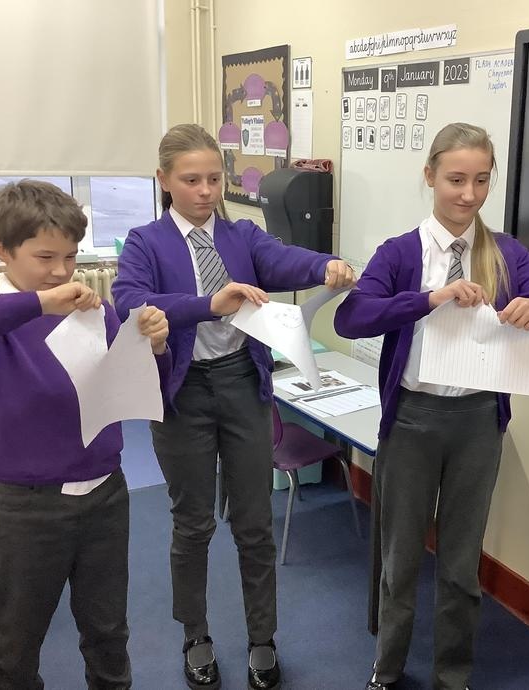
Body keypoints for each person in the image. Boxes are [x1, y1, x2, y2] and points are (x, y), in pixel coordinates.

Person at [333, 122, 529, 690]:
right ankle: (387, 668)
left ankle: (452, 675)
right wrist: (428, 299)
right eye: (456, 179)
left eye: (481, 180)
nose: (469, 194)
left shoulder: (505, 253)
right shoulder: (401, 252)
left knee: (461, 562)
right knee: (400, 557)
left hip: (477, 423)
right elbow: (352, 317)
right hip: (412, 420)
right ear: (430, 176)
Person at [111, 123, 355, 690]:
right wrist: (207, 304)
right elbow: (130, 302)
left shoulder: (241, 236)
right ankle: (194, 634)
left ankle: (262, 637)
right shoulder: (146, 242)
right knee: (192, 523)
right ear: (164, 180)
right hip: (183, 394)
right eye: (191, 180)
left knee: (254, 523)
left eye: (214, 179)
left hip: (243, 383)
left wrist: (325, 266)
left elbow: (284, 259)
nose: (205, 191)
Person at [0, 180, 171, 690]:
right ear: (1, 251)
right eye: (45, 257)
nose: (61, 271)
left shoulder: (94, 313)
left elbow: (137, 387)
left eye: (71, 257)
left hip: (104, 494)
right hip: (28, 507)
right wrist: (37, 303)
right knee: (20, 640)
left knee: (108, 631)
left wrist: (154, 348)